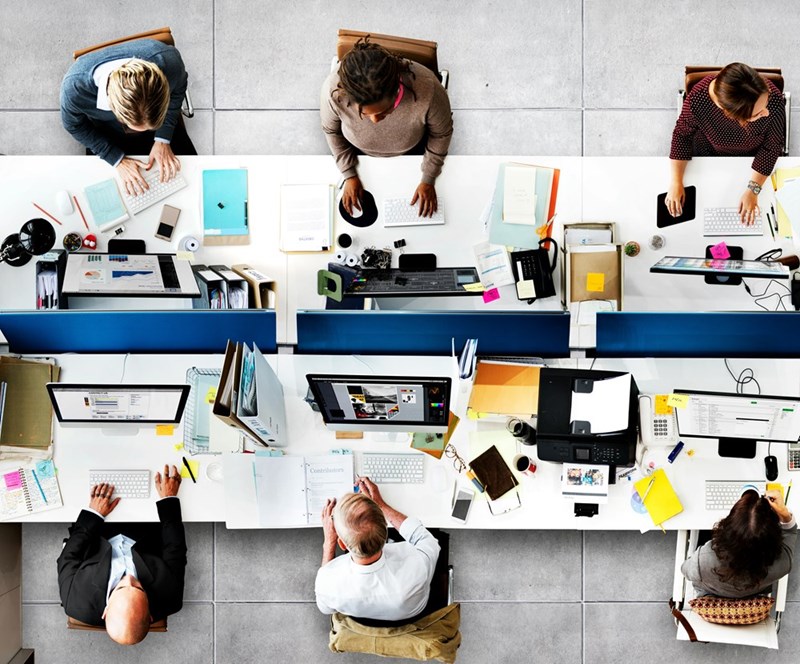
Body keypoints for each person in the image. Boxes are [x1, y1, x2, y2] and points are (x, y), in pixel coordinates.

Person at [320, 38, 453, 218]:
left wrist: (428, 179)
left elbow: (441, 134)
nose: (375, 121)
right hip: (356, 153)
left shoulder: (429, 90)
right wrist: (349, 174)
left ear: (397, 89)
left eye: (385, 111)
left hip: (412, 152)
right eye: (364, 114)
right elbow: (331, 130)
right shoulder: (333, 91)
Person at [57, 464, 187, 645]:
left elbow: (68, 556)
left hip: (97, 528)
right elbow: (175, 549)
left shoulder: (75, 601)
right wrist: (169, 499)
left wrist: (94, 513)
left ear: (105, 610)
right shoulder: (170, 598)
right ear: (150, 614)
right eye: (139, 588)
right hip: (145, 524)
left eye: (119, 588)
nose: (128, 579)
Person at [60, 39, 197, 197]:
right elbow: (74, 126)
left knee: (193, 184)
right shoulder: (75, 89)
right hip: (109, 133)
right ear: (114, 108)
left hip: (163, 125)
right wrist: (116, 159)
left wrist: (162, 138)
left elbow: (179, 89)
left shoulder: (170, 62)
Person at [665, 62, 786, 224]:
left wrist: (753, 190)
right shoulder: (697, 100)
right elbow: (682, 135)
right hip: (709, 154)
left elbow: (772, 146)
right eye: (757, 113)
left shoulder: (774, 99)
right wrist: (676, 181)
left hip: (753, 157)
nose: (766, 112)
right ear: (730, 115)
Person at [315, 477, 440, 621]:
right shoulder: (416, 566)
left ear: (341, 544)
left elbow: (324, 608)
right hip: (413, 615)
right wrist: (381, 505)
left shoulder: (327, 584)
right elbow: (428, 541)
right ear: (386, 532)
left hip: (364, 627)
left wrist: (329, 542)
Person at [682, 488, 797, 598]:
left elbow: (685, 570)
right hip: (754, 592)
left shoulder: (702, 560)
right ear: (774, 534)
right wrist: (785, 515)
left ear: (727, 531)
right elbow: (790, 532)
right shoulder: (784, 563)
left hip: (712, 593)